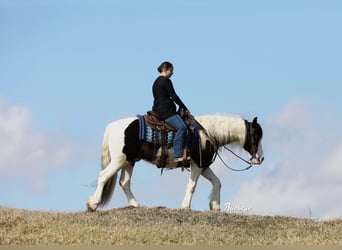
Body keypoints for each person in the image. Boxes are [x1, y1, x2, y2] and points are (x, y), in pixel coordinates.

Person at [152, 61, 189, 163]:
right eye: (171, 71)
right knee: (182, 127)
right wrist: (183, 107)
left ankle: (171, 145)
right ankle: (177, 154)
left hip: (157, 109)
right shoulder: (166, 81)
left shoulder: (156, 82)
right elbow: (174, 96)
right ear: (165, 69)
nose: (172, 73)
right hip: (166, 112)